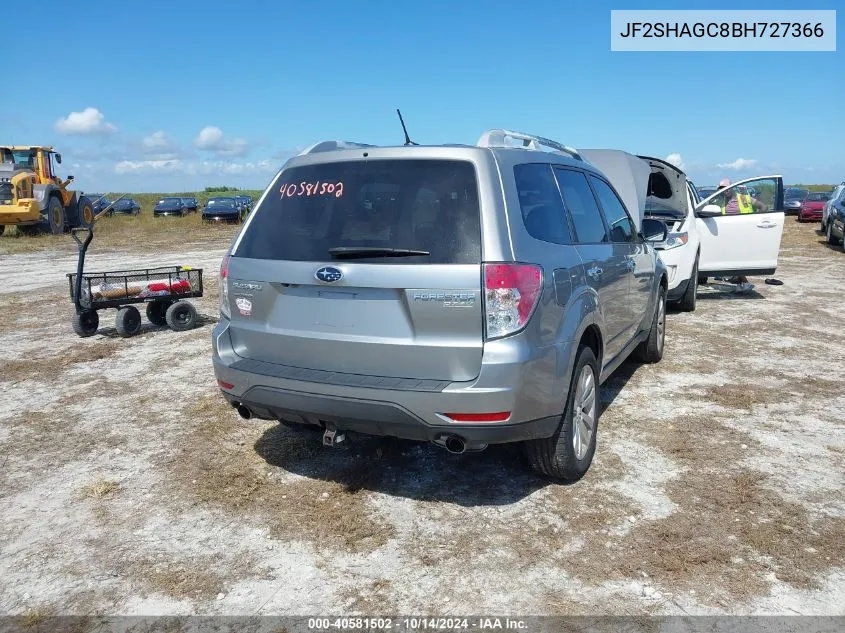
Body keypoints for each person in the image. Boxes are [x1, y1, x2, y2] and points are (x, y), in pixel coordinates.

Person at [714, 178, 768, 288]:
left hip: (743, 233)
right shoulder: (722, 201)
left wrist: (756, 221)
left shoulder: (744, 199)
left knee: (734, 257)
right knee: (731, 256)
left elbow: (763, 207)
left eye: (725, 188)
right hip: (729, 234)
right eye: (721, 189)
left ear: (731, 188)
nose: (724, 191)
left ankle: (745, 282)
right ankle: (738, 279)